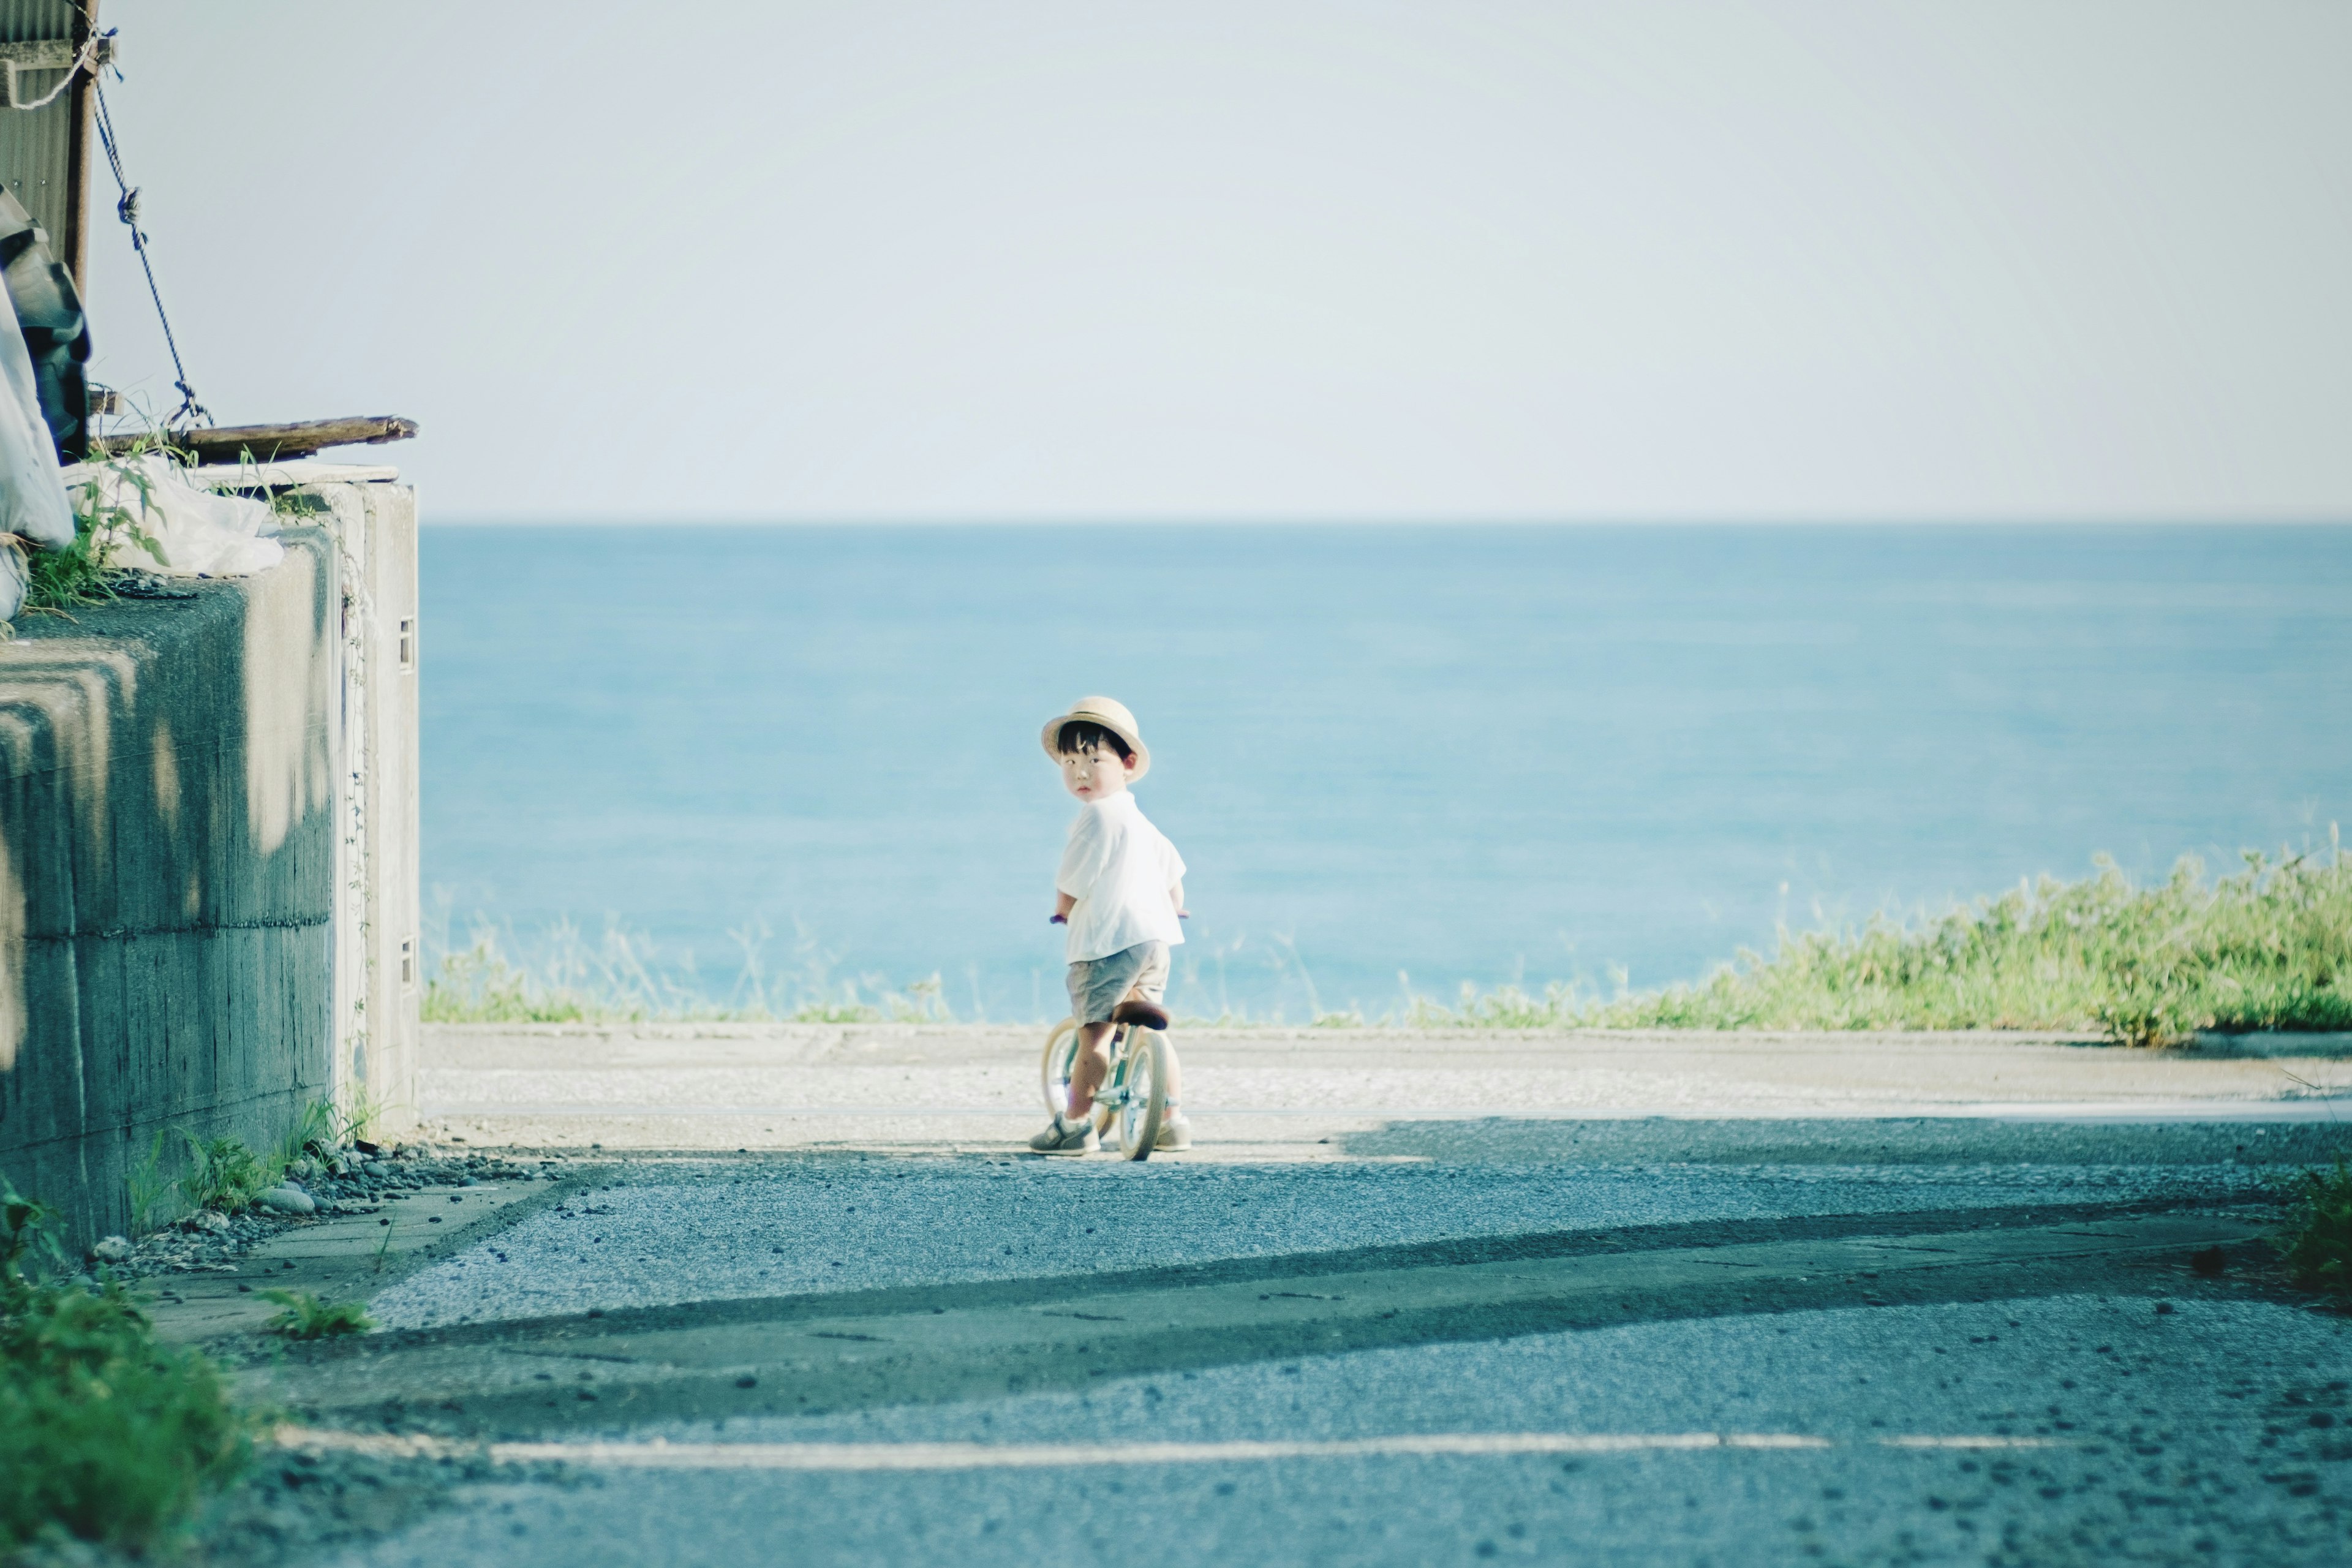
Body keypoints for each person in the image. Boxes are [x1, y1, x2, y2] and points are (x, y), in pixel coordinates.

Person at [1029, 696, 1191, 1155]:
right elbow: (1175, 876)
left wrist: (1063, 908)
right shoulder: (1143, 823)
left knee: (1094, 1034)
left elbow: (1072, 878)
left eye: (1094, 759)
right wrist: (1176, 908)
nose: (1080, 772)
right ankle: (1170, 1120)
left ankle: (1076, 1123)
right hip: (1155, 940)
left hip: (1108, 943)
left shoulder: (1097, 816)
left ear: (1128, 762)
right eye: (1070, 761)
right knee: (1151, 1031)